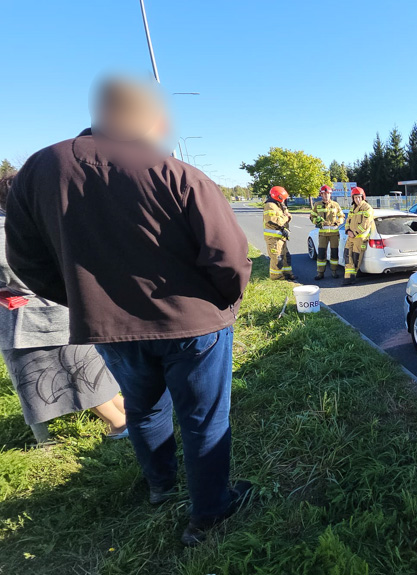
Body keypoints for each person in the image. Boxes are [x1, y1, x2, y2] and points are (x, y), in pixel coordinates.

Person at [5, 76, 253, 546]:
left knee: (142, 407)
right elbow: (230, 258)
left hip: (110, 328)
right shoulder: (179, 174)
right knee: (203, 418)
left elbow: (26, 261)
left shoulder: (38, 170)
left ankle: (161, 486)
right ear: (151, 121)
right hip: (194, 325)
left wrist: (83, 300)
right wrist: (228, 302)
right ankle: (209, 513)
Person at [0, 176, 127, 443]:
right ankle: (130, 415)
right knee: (88, 369)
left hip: (35, 317)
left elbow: (14, 273)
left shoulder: (7, 228)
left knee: (73, 378)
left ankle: (120, 425)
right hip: (69, 306)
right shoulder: (52, 219)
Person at [310, 185, 344, 280]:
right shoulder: (317, 205)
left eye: (328, 194)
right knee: (321, 254)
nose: (326, 196)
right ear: (321, 194)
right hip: (323, 235)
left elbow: (342, 216)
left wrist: (338, 222)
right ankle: (320, 273)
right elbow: (312, 217)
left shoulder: (335, 205)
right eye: (324, 194)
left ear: (330, 194)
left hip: (334, 234)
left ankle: (334, 271)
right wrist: (317, 221)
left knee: (334, 253)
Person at [263, 185, 295, 281]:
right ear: (278, 196)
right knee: (277, 258)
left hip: (281, 237)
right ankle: (276, 277)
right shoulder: (270, 206)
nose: (284, 200)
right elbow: (275, 221)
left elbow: (287, 216)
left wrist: (287, 216)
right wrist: (287, 217)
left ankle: (287, 274)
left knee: (286, 257)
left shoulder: (279, 205)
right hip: (273, 238)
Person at [343, 187, 373, 285]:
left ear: (363, 197)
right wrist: (348, 231)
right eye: (355, 197)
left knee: (356, 258)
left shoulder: (367, 208)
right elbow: (347, 221)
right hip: (350, 237)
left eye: (359, 197)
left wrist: (354, 233)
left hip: (360, 238)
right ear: (353, 198)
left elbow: (365, 224)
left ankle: (351, 278)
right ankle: (348, 277)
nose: (357, 199)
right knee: (347, 256)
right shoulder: (352, 208)